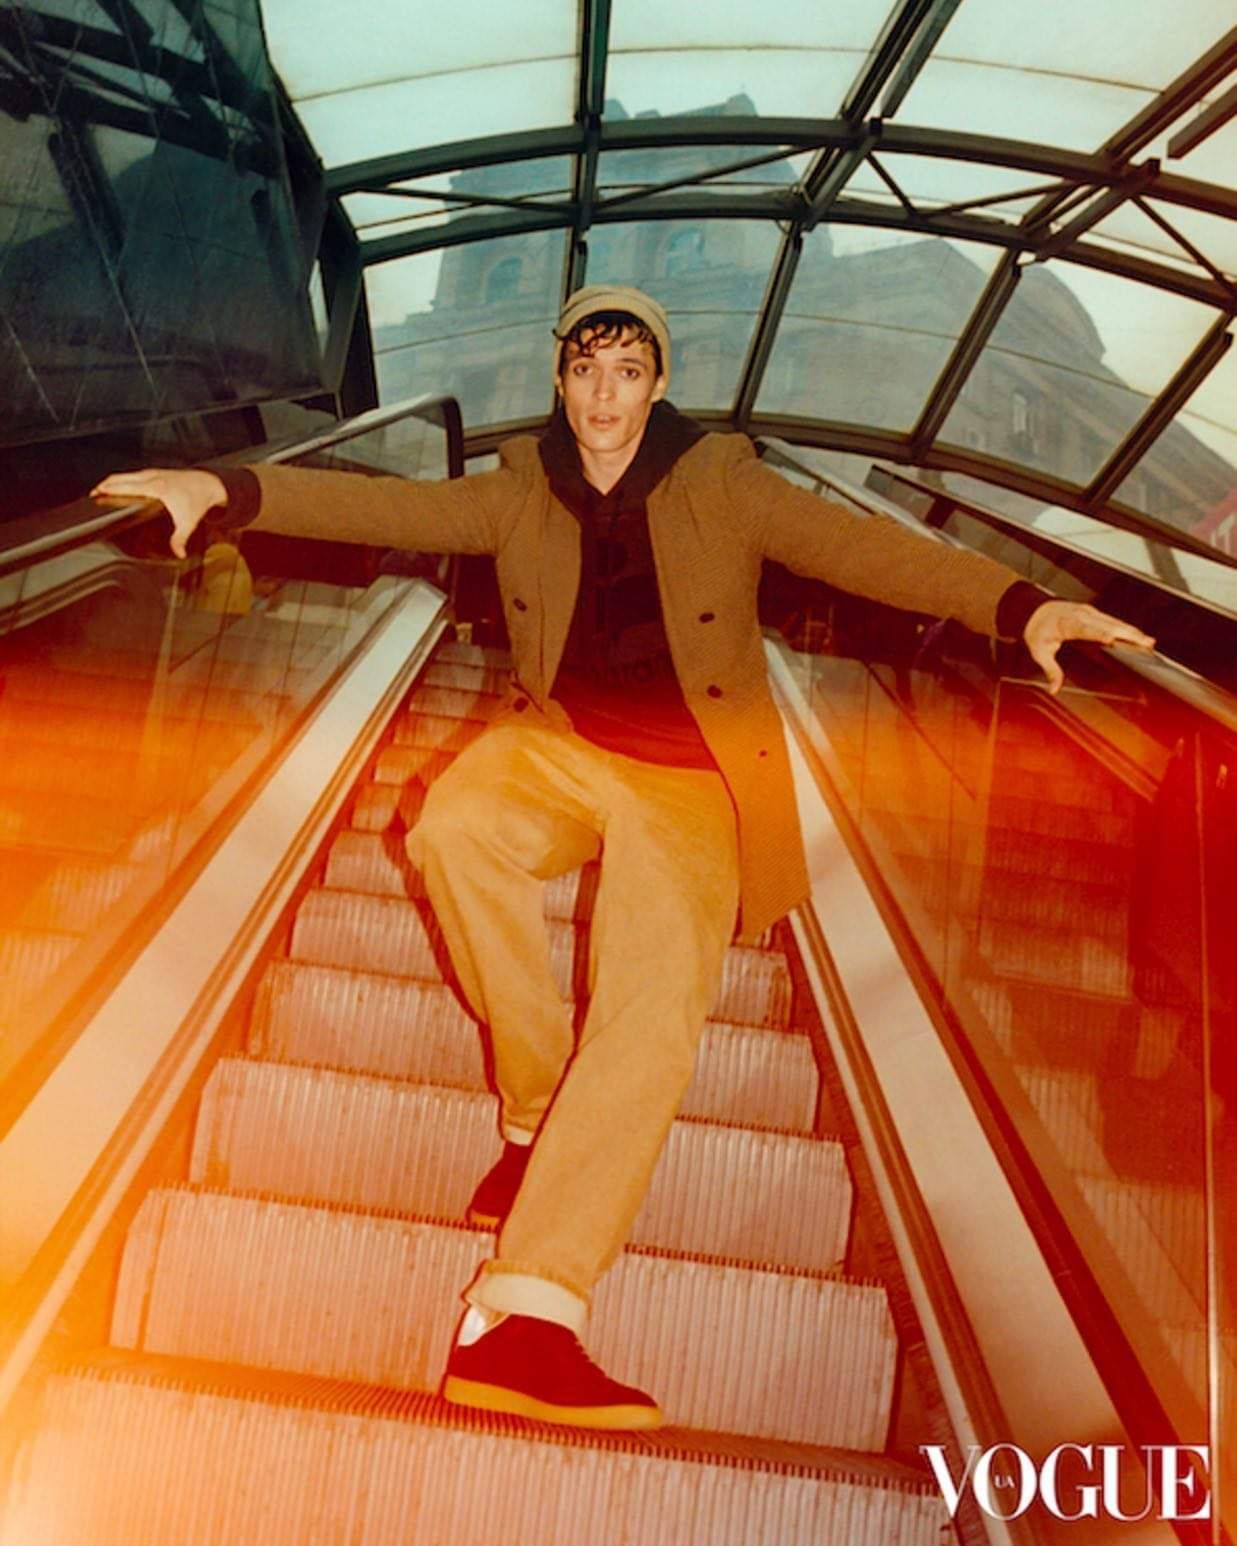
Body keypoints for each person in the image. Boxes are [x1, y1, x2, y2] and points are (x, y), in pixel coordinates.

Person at [92, 284, 1156, 1431]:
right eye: (586, 371)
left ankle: (526, 1313)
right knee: (450, 827)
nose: (605, 395)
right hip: (559, 744)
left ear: (657, 383)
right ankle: (536, 1104)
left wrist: (1019, 604)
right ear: (564, 381)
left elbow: (864, 550)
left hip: (695, 774)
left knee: (651, 1007)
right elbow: (370, 503)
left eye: (627, 372)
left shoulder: (724, 483)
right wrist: (226, 486)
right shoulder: (518, 488)